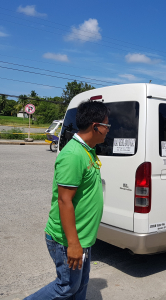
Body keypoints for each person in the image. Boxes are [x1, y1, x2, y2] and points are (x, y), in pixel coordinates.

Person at [24, 101, 110, 300]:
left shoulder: (87, 149)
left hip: (82, 237)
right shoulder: (73, 154)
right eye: (107, 125)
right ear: (95, 126)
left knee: (80, 284)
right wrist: (73, 244)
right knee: (66, 287)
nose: (108, 130)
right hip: (67, 239)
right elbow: (64, 201)